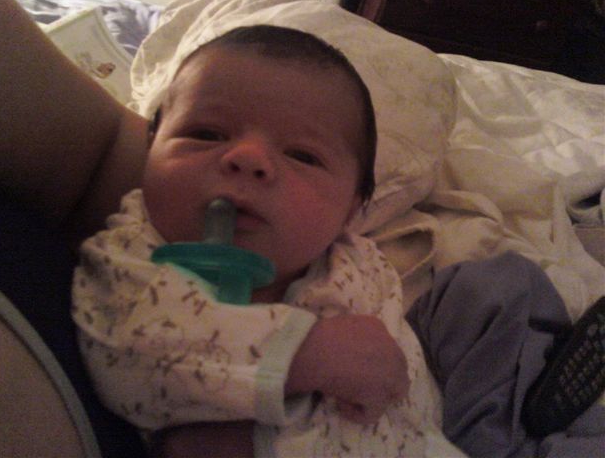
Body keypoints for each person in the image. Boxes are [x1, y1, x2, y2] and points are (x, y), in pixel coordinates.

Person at [71, 25, 459, 458]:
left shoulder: (361, 263)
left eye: (302, 155)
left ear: (351, 211)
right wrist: (303, 355)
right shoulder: (131, 254)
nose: (248, 158)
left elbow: (396, 367)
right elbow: (128, 354)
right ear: (150, 148)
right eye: (206, 134)